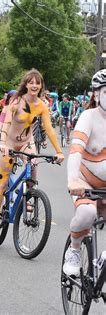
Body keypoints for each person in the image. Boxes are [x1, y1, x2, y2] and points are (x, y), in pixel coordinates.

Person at [0, 69, 64, 237]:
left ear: (41, 85)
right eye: (31, 82)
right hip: (9, 143)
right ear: (26, 84)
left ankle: (28, 196)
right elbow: (6, 123)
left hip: (26, 143)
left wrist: (59, 152)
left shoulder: (42, 106)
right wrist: (2, 143)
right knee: (2, 182)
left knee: (34, 165)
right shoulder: (16, 101)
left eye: (38, 82)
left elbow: (49, 130)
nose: (34, 85)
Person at [63, 69, 106, 276]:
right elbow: (76, 151)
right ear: (96, 95)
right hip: (85, 182)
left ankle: (102, 260)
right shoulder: (88, 117)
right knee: (87, 213)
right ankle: (75, 249)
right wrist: (73, 180)